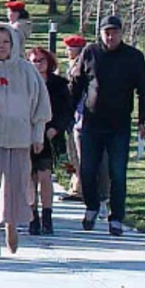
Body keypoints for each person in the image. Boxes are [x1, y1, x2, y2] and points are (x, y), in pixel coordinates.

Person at [0, 22, 51, 258]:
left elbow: (40, 107)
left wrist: (38, 135)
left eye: (6, 42)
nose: (1, 47)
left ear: (13, 43)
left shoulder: (27, 71)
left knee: (17, 186)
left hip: (20, 137)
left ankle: (11, 227)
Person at [69, 15, 145, 236]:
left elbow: (144, 90)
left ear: (121, 33)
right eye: (107, 32)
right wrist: (68, 115)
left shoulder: (133, 57)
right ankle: (92, 207)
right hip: (91, 123)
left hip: (119, 125)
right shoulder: (90, 52)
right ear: (101, 33)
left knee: (117, 172)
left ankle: (116, 218)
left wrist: (144, 119)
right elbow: (77, 85)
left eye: (114, 32)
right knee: (87, 169)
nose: (110, 36)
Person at [26, 46, 73, 236]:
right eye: (34, 60)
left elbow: (66, 110)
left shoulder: (59, 84)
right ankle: (33, 216)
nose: (38, 64)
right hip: (26, 134)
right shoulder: (24, 83)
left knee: (45, 176)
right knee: (30, 177)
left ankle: (47, 216)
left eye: (41, 60)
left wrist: (56, 128)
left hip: (50, 134)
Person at [60, 34, 89, 202]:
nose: (67, 51)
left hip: (80, 113)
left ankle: (81, 189)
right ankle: (75, 185)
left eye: (70, 48)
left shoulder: (81, 64)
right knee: (72, 152)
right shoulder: (71, 64)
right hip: (71, 113)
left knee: (79, 153)